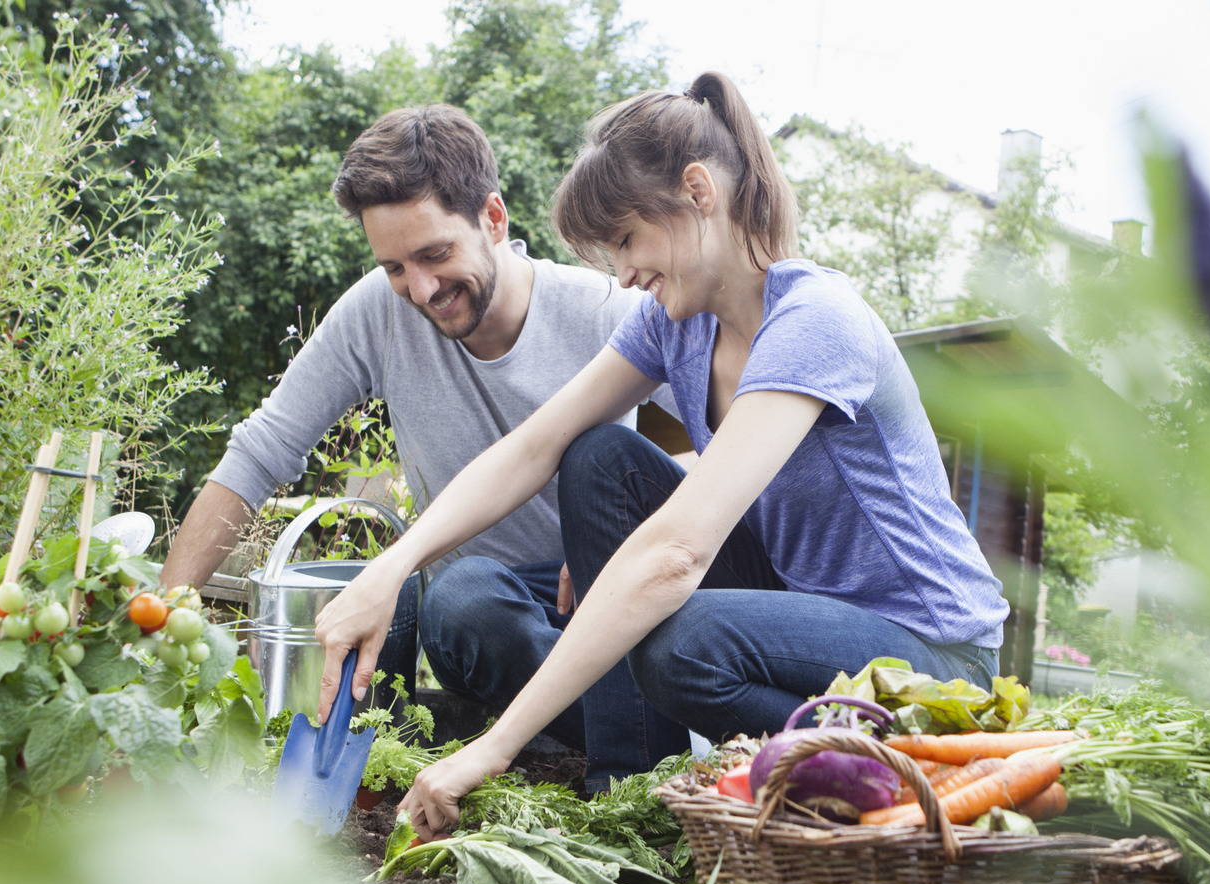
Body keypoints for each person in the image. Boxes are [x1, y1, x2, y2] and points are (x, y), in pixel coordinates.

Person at [311, 72, 1010, 841]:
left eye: (626, 240)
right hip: (801, 606)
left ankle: (909, 761)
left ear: (698, 193)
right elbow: (536, 445)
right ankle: (626, 792)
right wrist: (392, 567)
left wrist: (494, 745)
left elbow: (678, 553)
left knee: (683, 645)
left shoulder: (816, 320)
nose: (622, 273)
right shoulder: (674, 321)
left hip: (930, 653)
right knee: (600, 459)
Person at [158, 104, 679, 786]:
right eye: (395, 267)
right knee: (454, 598)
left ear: (493, 218)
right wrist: (162, 615)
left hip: (607, 603)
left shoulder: (606, 309)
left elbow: (721, 449)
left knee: (595, 463)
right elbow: (260, 453)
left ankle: (632, 748)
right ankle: (636, 730)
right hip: (487, 618)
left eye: (435, 255)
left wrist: (624, 541)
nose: (422, 289)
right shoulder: (376, 313)